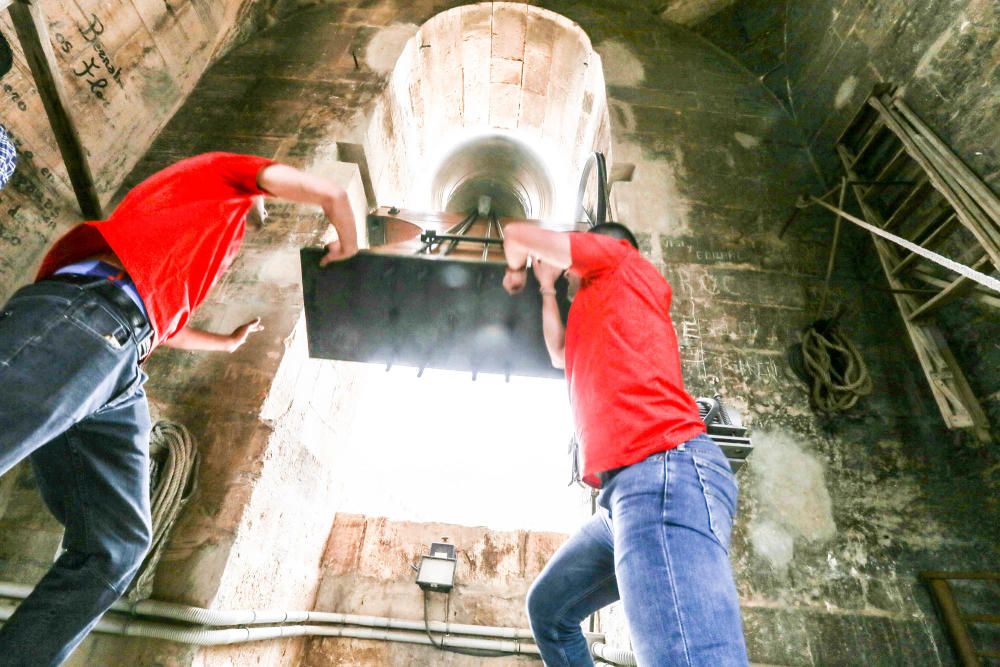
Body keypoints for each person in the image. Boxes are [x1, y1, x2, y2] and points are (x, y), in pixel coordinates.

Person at [0, 152, 358, 665]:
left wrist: (226, 343)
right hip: (86, 314)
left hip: (122, 353)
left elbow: (164, 325)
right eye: (237, 242)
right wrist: (349, 248)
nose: (233, 255)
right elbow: (334, 194)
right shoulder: (222, 173)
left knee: (117, 546)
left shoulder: (182, 253)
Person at [502, 222, 748, 666]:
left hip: (663, 472)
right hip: (624, 497)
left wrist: (515, 272)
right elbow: (559, 354)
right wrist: (543, 290)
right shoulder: (596, 310)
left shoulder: (617, 259)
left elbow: (517, 233)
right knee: (550, 612)